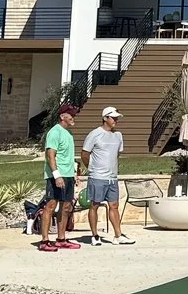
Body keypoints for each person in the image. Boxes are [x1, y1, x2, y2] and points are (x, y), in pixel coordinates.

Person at [39, 103, 82, 251]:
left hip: (68, 175)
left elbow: (68, 157)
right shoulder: (55, 132)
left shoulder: (68, 134)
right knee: (51, 206)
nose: (73, 117)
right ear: (62, 116)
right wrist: (57, 176)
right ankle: (44, 241)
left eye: (74, 114)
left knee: (66, 207)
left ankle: (61, 238)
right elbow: (50, 155)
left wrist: (74, 173)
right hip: (56, 176)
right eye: (71, 114)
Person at [84, 106, 129, 244]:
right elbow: (85, 153)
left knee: (114, 205)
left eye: (116, 118)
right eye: (113, 118)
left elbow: (117, 154)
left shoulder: (118, 135)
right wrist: (92, 169)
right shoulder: (95, 134)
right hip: (97, 177)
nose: (115, 120)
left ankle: (118, 235)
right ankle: (95, 235)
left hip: (112, 178)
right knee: (95, 205)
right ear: (105, 118)